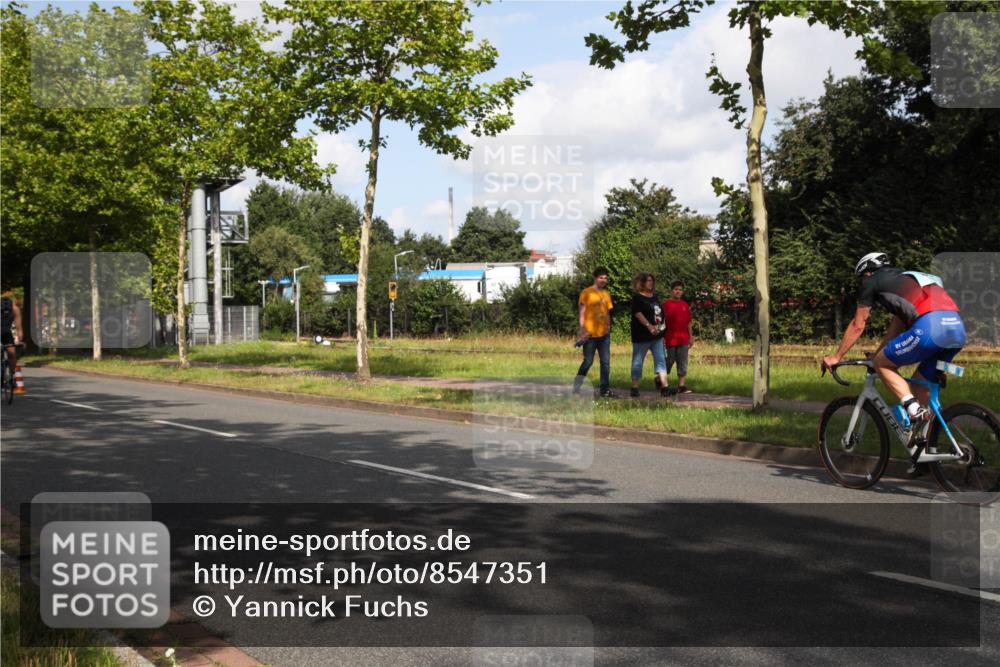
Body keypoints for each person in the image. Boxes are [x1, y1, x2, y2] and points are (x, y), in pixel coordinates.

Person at [821, 252, 965, 475]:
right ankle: (924, 456)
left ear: (867, 271)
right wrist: (877, 355)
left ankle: (913, 409)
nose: (864, 283)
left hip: (930, 325)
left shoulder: (872, 280)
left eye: (862, 277)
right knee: (919, 384)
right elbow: (894, 332)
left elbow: (858, 325)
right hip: (956, 327)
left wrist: (837, 356)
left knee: (886, 367)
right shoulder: (906, 280)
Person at [573, 267, 615, 398]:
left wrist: (609, 326)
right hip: (590, 335)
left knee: (605, 362)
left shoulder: (606, 294)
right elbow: (581, 314)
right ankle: (576, 387)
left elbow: (607, 312)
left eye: (605, 278)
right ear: (595, 278)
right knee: (588, 361)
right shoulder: (586, 292)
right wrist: (583, 331)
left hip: (604, 335)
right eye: (601, 277)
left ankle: (605, 390)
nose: (603, 280)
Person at [629, 273, 669, 398]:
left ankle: (665, 387)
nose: (650, 283)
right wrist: (649, 326)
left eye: (652, 280)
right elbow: (638, 313)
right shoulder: (637, 298)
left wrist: (661, 326)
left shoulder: (655, 297)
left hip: (656, 336)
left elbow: (659, 313)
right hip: (641, 336)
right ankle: (635, 387)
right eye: (648, 281)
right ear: (641, 282)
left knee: (661, 360)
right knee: (637, 361)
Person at [661, 280, 694, 395]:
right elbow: (660, 322)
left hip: (683, 338)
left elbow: (689, 322)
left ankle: (681, 385)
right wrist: (661, 336)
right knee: (668, 361)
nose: (678, 292)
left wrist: (691, 336)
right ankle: (660, 380)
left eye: (680, 290)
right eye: (676, 289)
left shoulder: (685, 305)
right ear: (671, 291)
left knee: (682, 362)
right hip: (669, 338)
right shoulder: (665, 305)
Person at [1, 295, 23, 372]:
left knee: (12, 353)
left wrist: (19, 339)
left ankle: (12, 374)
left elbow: (18, 326)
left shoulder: (15, 309)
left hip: (7, 333)